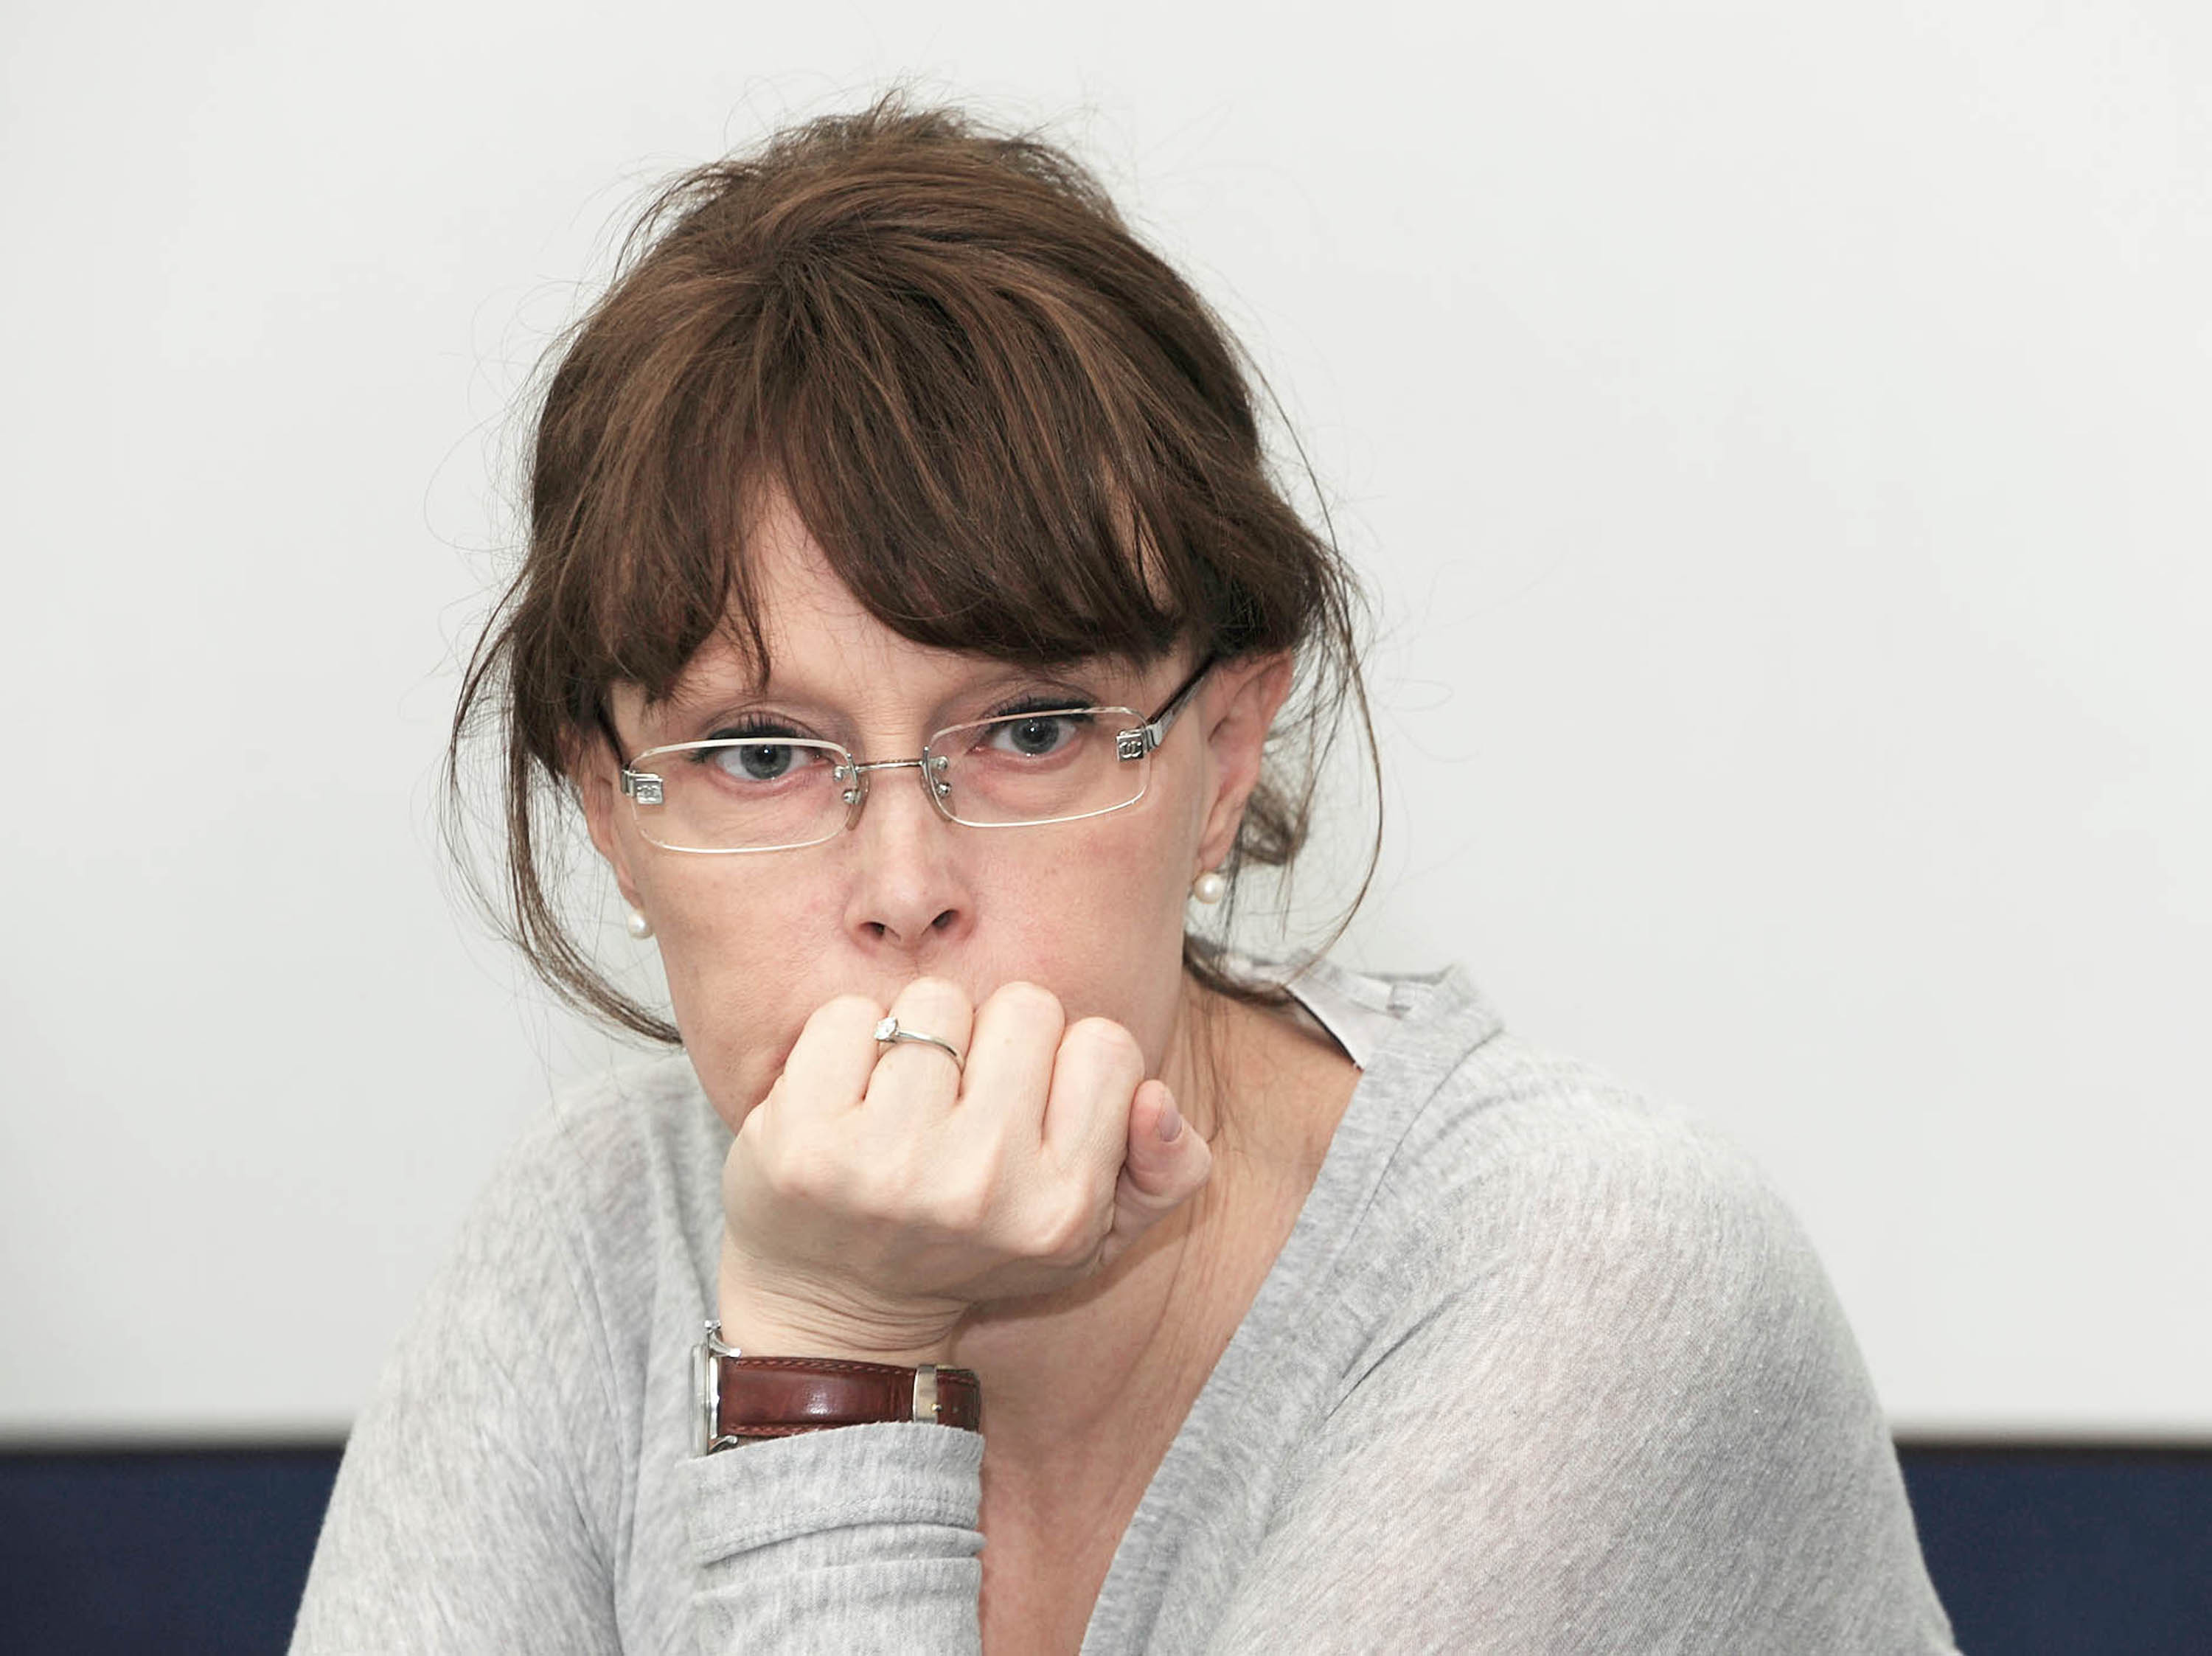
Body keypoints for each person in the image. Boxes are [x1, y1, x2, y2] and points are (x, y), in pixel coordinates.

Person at [291, 95, 1959, 1653]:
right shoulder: (591, 1236)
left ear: (1224, 756)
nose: (903, 884)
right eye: (761, 755)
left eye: (1027, 729)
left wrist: (839, 1361)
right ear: (610, 813)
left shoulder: (1596, 1271)